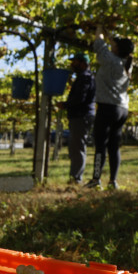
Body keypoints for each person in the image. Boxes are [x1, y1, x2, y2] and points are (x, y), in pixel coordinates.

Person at [84, 26, 134, 190]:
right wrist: (110, 35)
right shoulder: (127, 63)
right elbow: (113, 45)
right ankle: (113, 181)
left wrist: (98, 27)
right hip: (122, 109)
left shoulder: (109, 59)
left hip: (107, 108)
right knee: (114, 146)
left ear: (117, 48)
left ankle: (96, 179)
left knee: (100, 145)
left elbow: (98, 42)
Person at [56, 52, 96, 185]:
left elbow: (80, 98)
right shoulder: (84, 77)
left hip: (81, 116)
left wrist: (65, 105)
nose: (72, 64)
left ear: (84, 64)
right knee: (75, 147)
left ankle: (76, 179)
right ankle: (75, 177)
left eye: (75, 62)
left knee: (77, 147)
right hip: (79, 116)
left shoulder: (85, 77)